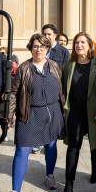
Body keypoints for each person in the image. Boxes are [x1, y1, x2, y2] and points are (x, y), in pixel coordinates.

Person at [4, 34, 65, 192]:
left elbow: (62, 89)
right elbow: (14, 93)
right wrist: (9, 117)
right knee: (22, 150)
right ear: (31, 48)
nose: (39, 49)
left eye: (42, 46)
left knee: (51, 146)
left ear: (47, 49)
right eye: (35, 46)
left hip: (52, 112)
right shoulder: (24, 68)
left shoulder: (54, 66)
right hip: (29, 114)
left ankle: (50, 175)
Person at [61, 32, 96, 192]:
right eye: (76, 43)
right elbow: (60, 82)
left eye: (82, 42)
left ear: (89, 45)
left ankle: (95, 170)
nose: (79, 45)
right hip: (75, 110)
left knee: (95, 143)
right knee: (74, 145)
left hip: (94, 111)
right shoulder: (69, 64)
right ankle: (69, 183)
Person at [31, 24, 69, 154]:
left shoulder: (63, 51)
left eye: (49, 34)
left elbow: (64, 73)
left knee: (50, 121)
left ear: (55, 35)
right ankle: (37, 142)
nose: (46, 36)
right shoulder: (39, 49)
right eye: (44, 34)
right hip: (39, 90)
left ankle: (49, 142)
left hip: (54, 91)